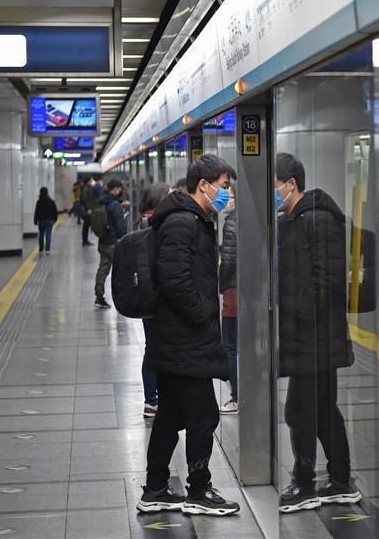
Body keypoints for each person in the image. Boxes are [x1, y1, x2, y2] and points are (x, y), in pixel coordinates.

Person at [137, 155, 240, 517]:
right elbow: (175, 281)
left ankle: (155, 489)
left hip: (177, 339)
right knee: (203, 416)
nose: (226, 194)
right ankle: (198, 489)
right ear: (204, 185)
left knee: (169, 418)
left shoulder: (191, 219)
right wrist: (202, 317)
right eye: (224, 186)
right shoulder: (183, 222)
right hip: (184, 339)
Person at [274, 153, 360, 514]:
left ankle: (305, 484)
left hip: (316, 336)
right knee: (322, 410)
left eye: (274, 186)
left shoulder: (318, 220)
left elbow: (328, 281)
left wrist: (299, 314)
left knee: (301, 411)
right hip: (306, 336)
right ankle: (340, 481)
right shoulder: (292, 220)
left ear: (291, 183)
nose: (272, 194)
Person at [136, 182, 172, 418]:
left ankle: (151, 400)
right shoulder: (160, 224)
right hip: (162, 297)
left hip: (145, 296)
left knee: (151, 347)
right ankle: (161, 399)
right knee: (164, 348)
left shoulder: (140, 222)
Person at [219, 184, 238, 414]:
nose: (226, 199)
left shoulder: (232, 222)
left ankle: (236, 397)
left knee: (230, 346)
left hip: (234, 291)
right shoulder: (254, 218)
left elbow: (228, 261)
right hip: (253, 292)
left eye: (230, 195)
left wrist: (221, 284)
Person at [94, 179, 128, 309]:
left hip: (103, 241)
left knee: (102, 270)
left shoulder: (101, 201)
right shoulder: (114, 204)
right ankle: (123, 296)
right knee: (121, 271)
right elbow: (120, 225)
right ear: (115, 189)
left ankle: (99, 297)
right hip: (114, 243)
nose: (121, 191)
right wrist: (124, 238)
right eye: (120, 189)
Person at [33, 187, 58, 255]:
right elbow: (55, 211)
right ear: (47, 192)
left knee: (41, 235)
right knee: (48, 235)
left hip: (41, 221)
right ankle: (47, 250)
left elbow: (36, 212)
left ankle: (41, 249)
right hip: (50, 220)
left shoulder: (39, 202)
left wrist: (35, 220)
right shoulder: (51, 201)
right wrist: (55, 219)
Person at [80, 177, 97, 246]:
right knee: (86, 226)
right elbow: (85, 199)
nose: (92, 182)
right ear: (88, 182)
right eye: (91, 181)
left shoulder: (87, 188)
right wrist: (88, 209)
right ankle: (85, 241)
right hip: (87, 210)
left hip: (87, 209)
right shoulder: (86, 189)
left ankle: (85, 240)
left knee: (86, 226)